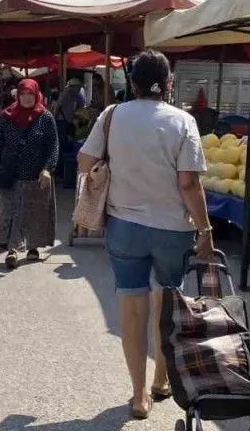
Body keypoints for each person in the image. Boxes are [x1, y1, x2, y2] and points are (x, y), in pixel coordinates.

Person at [77, 50, 214, 420]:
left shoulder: (112, 116)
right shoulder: (183, 121)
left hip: (124, 227)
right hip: (173, 230)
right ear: (168, 83)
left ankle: (139, 396)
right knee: (166, 306)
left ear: (132, 82)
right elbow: (189, 184)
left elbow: (85, 162)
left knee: (132, 309)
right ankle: (160, 380)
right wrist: (205, 230)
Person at [0, 79, 59, 269]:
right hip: (11, 174)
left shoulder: (46, 118)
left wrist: (47, 168)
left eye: (31, 94)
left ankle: (33, 247)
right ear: (18, 96)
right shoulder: (7, 116)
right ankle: (13, 249)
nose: (27, 98)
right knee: (13, 212)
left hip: (36, 176)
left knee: (35, 213)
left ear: (36, 95)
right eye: (23, 94)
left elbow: (53, 145)